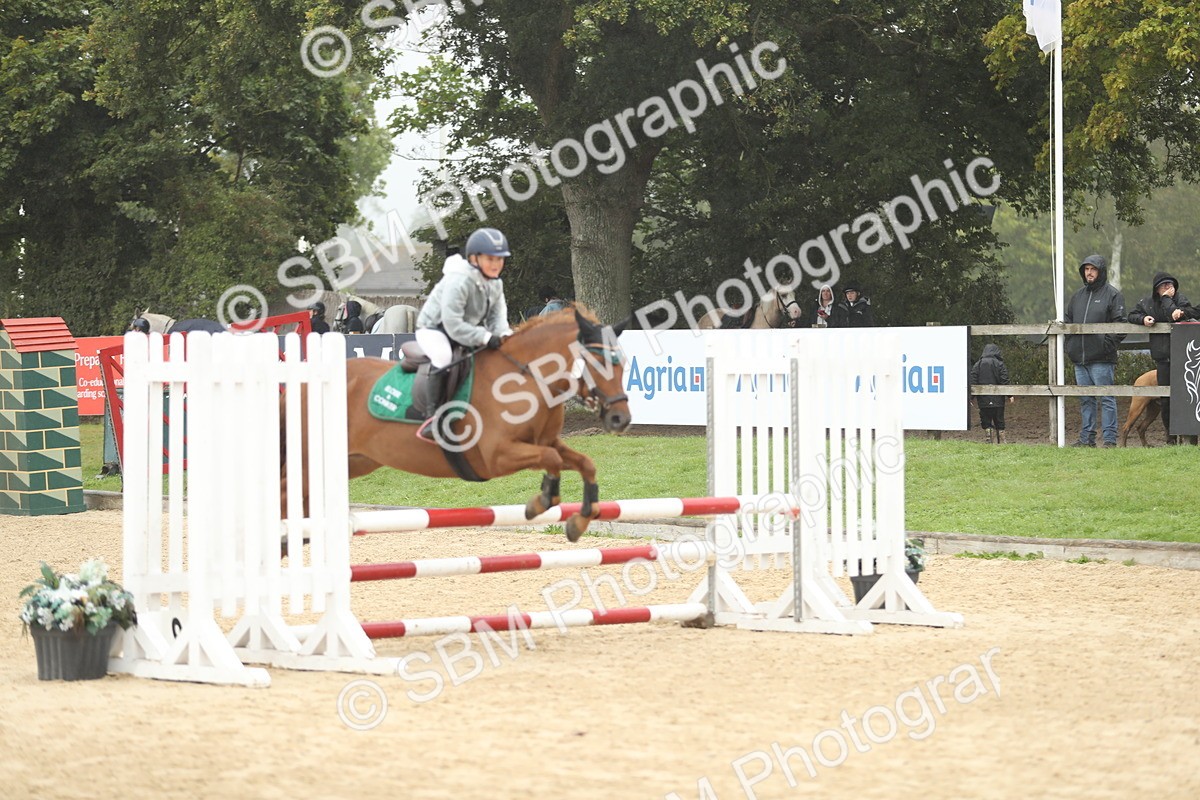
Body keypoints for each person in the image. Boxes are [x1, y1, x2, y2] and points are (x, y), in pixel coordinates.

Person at [412, 227, 514, 438]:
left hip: (466, 330)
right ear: (474, 258)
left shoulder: (496, 284)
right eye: (490, 259)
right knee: (444, 357)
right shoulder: (459, 280)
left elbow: (497, 318)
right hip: (434, 329)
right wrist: (486, 337)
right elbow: (453, 325)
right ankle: (433, 419)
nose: (496, 265)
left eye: (500, 259)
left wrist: (505, 335)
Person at [1064, 254, 1126, 447]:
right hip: (1079, 359)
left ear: (1101, 271)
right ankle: (1087, 439)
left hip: (1102, 359)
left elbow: (1121, 326)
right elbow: (1067, 323)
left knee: (1106, 397)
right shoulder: (1077, 296)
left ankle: (1109, 440)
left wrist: (1105, 345)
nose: (1089, 273)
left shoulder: (1113, 295)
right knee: (1086, 399)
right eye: (1086, 269)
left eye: (1093, 269)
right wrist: (1071, 346)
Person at [1128, 271, 1197, 441]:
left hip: (1182, 357)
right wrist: (1143, 319)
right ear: (1156, 288)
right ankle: (1170, 438)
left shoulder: (1181, 300)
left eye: (1170, 284)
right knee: (1166, 400)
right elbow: (1131, 315)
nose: (1168, 288)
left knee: (1186, 396)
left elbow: (1181, 314)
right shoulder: (1147, 303)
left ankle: (1190, 438)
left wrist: (1168, 300)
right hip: (1162, 357)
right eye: (1164, 285)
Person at [970, 344, 1014, 444]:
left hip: (983, 400)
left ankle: (989, 440)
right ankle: (1002, 441)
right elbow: (1004, 380)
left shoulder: (978, 364)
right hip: (998, 400)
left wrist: (971, 397)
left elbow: (973, 381)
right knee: (999, 420)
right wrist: (1010, 395)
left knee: (986, 419)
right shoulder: (999, 364)